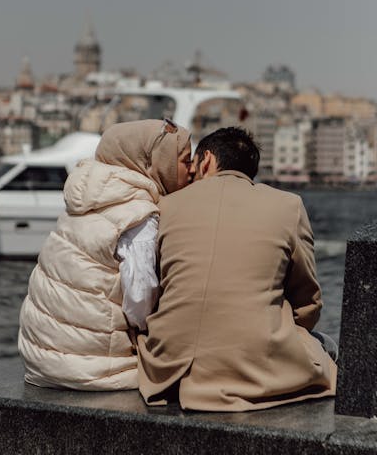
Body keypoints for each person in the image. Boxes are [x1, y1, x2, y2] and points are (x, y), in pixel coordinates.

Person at [137, 127, 337, 412]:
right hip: (255, 368)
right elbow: (307, 301)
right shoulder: (288, 205)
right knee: (327, 347)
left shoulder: (166, 205)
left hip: (169, 368)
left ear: (205, 161)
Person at [18, 119, 191, 391]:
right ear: (153, 162)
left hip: (40, 359)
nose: (191, 170)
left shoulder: (85, 198)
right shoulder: (138, 214)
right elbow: (140, 296)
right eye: (184, 160)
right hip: (94, 367)